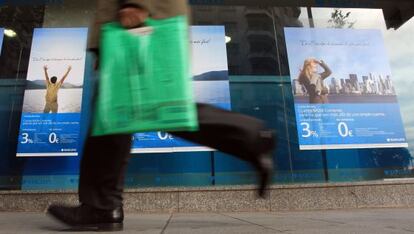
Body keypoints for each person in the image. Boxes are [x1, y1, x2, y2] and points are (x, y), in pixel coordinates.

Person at [47, 0, 276, 231]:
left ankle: (102, 206)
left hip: (141, 20)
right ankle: (102, 206)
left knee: (131, 113)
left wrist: (137, 3)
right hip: (137, 20)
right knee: (123, 114)